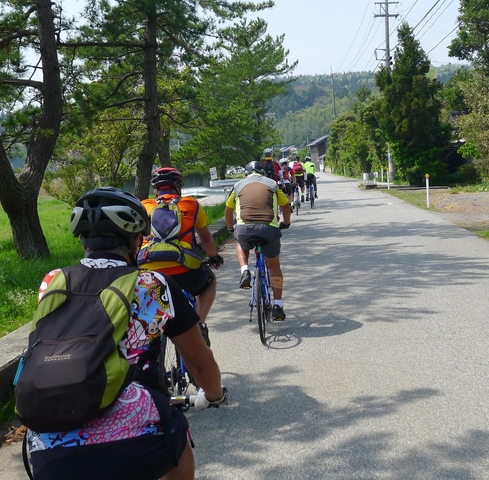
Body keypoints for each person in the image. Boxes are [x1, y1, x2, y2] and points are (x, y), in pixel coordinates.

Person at [25, 186, 225, 480]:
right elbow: (199, 363)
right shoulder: (151, 284)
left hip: (47, 445)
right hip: (135, 444)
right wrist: (215, 395)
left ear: (83, 241)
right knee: (178, 439)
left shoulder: (53, 281)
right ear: (135, 240)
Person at [139, 167, 223, 346]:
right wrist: (214, 257)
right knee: (210, 282)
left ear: (156, 190)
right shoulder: (191, 204)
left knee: (147, 300)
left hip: (149, 271)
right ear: (178, 188)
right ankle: (199, 324)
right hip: (183, 268)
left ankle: (150, 338)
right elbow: (206, 238)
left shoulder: (143, 205)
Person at [224, 161, 291, 321]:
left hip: (244, 229)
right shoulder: (272, 184)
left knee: (240, 240)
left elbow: (228, 210)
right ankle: (278, 305)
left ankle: (245, 270)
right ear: (263, 173)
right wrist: (286, 223)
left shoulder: (239, 185)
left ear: (246, 174)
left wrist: (231, 228)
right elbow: (286, 205)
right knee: (274, 266)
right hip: (269, 229)